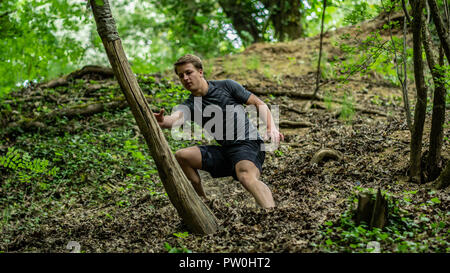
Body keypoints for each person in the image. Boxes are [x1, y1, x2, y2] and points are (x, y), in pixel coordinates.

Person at [154, 54, 283, 208]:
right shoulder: (190, 104)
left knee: (245, 175)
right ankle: (204, 202)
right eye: (181, 76)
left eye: (189, 72)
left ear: (200, 72)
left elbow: (257, 103)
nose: (185, 78)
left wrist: (271, 127)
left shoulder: (226, 86)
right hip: (226, 151)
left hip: (248, 144)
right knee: (182, 156)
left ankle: (271, 212)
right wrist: (162, 121)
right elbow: (175, 119)